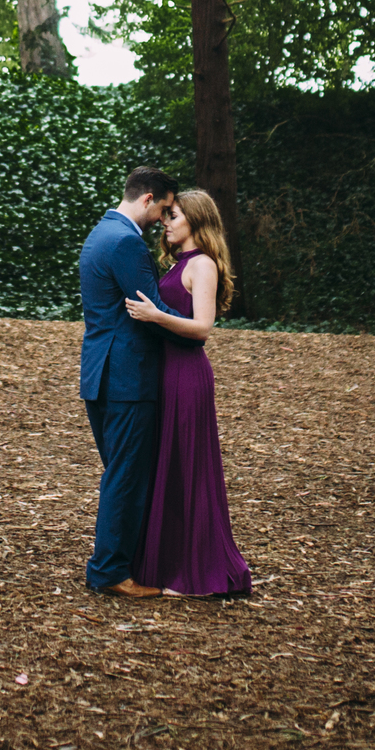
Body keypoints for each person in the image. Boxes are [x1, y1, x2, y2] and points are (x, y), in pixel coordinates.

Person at [123, 186, 252, 596]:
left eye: (173, 215)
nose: (165, 221)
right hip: (165, 373)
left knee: (188, 469)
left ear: (196, 220)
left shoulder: (204, 266)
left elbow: (202, 330)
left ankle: (198, 572)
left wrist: (156, 315)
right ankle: (169, 565)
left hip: (187, 376)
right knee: (169, 468)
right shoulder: (178, 263)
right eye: (165, 215)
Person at [77, 166, 176, 597]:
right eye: (165, 209)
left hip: (101, 372)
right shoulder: (125, 244)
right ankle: (111, 572)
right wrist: (193, 333)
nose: (164, 220)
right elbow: (149, 311)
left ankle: (120, 561)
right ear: (148, 198)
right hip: (128, 377)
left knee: (122, 473)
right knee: (126, 476)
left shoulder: (100, 233)